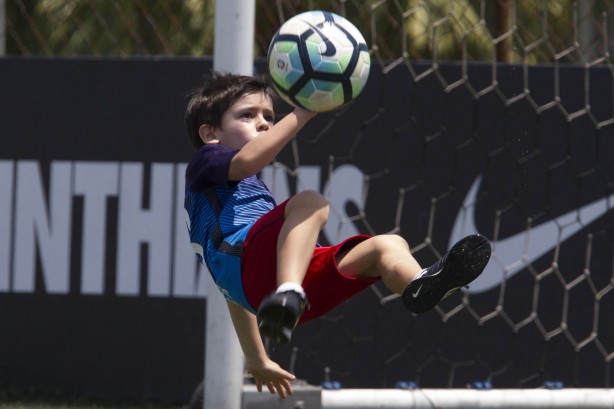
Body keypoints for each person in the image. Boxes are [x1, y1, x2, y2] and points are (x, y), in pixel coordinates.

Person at [183, 71, 492, 399]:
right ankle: (290, 291)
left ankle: (421, 283)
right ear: (209, 133)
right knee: (311, 202)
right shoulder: (206, 163)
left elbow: (235, 294)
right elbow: (248, 162)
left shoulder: (245, 191)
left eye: (269, 117)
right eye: (247, 115)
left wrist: (258, 358)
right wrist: (301, 113)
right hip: (269, 280)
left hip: (274, 294)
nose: (263, 123)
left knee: (387, 245)